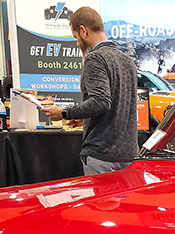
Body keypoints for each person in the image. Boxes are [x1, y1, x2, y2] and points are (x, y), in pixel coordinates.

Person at [44, 7, 138, 176]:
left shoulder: (95, 58)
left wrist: (64, 113)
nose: (77, 43)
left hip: (102, 155)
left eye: (75, 38)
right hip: (129, 155)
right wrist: (85, 118)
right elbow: (119, 106)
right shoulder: (128, 61)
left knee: (100, 203)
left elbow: (101, 102)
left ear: (83, 31)